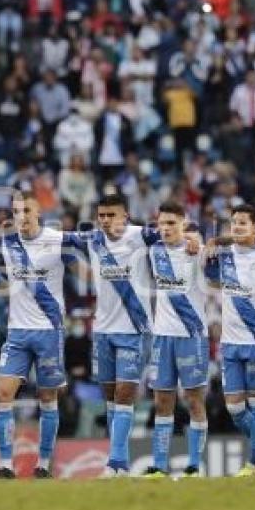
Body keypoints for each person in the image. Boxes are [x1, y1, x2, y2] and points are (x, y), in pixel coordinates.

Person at [76, 193, 199, 477]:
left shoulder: (142, 236)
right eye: (102, 215)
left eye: (112, 215)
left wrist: (196, 239)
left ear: (125, 217)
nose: (106, 221)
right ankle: (118, 458)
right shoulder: (92, 240)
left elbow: (174, 232)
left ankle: (116, 462)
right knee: (110, 396)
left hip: (135, 330)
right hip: (103, 330)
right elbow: (55, 239)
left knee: (124, 392)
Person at [0, 191, 83, 478]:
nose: (22, 216)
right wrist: (1, 283)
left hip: (49, 332)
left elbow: (89, 252)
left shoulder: (57, 239)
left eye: (27, 210)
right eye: (16, 211)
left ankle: (42, 464)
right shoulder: (7, 242)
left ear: (39, 211)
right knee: (2, 395)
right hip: (16, 331)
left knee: (47, 398)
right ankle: (5, 465)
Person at [205, 204, 255, 477]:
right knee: (234, 407)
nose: (236, 227)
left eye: (242, 223)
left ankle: (254, 463)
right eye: (233, 223)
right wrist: (211, 247)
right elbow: (213, 283)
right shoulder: (224, 256)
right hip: (230, 342)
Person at [144, 200, 210, 478]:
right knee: (162, 402)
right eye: (162, 223)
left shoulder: (199, 251)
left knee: (194, 400)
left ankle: (194, 465)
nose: (166, 228)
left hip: (191, 334)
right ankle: (159, 465)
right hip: (162, 336)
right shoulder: (153, 249)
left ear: (184, 223)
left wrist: (198, 239)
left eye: (172, 223)